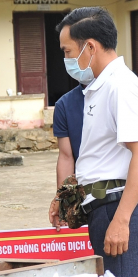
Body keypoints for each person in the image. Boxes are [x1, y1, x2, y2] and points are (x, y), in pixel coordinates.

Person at [50, 7, 138, 277]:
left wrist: (121, 220)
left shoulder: (120, 86)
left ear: (90, 47)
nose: (66, 59)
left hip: (117, 207)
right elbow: (97, 158)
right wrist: (64, 198)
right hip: (103, 208)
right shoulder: (99, 87)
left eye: (68, 51)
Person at [50, 84, 85, 223]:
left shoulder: (119, 94)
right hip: (84, 192)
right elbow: (66, 157)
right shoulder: (65, 105)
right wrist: (62, 200)